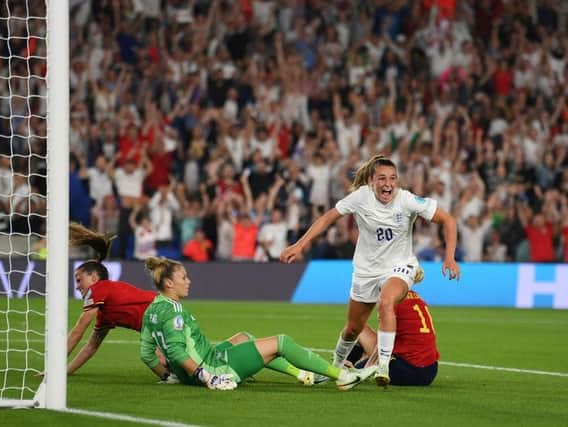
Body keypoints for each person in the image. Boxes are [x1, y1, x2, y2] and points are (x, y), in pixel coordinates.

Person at [280, 155, 460, 386]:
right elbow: (327, 219)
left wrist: (450, 258)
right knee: (353, 329)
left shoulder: (407, 200)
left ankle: (382, 366)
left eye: (393, 178)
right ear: (371, 182)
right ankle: (334, 368)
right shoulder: (360, 198)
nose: (388, 184)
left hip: (399, 266)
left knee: (386, 302)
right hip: (366, 271)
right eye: (382, 178)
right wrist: (299, 244)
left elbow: (448, 220)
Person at [139, 256, 376, 391]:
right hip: (215, 367)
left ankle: (303, 374)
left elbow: (147, 354)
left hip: (199, 365)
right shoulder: (175, 312)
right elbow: (178, 351)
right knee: (282, 341)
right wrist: (207, 377)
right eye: (183, 278)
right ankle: (341, 376)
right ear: (169, 284)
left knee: (244, 336)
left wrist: (174, 376)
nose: (188, 281)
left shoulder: (152, 309)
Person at [67, 223, 158, 375]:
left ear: (94, 277)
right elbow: (91, 347)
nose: (77, 286)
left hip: (161, 313)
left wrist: (54, 367)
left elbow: (78, 330)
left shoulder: (98, 288)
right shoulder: (104, 314)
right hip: (160, 317)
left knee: (163, 359)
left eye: (79, 280)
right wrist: (65, 371)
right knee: (159, 359)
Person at [345, 290, 439, 386]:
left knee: (357, 327)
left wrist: (367, 367)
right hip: (430, 371)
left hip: (406, 371)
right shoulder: (417, 298)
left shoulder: (389, 302)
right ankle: (349, 363)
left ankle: (345, 364)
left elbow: (383, 341)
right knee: (364, 331)